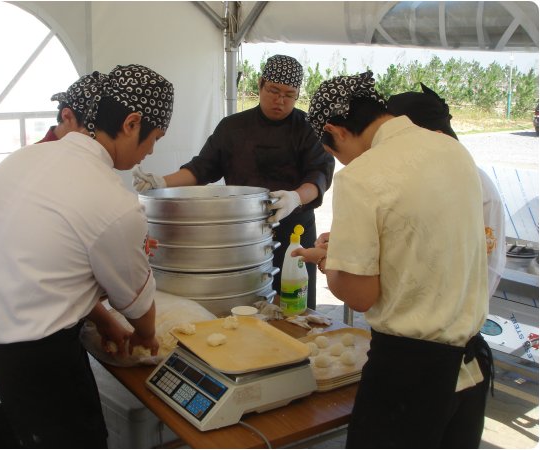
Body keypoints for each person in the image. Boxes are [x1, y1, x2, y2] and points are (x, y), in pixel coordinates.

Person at [0, 64, 174, 448]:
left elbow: (42, 270)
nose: (151, 150)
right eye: (154, 137)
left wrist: (102, 319)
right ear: (131, 123)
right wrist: (147, 338)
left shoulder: (21, 161)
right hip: (36, 381)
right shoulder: (113, 203)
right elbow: (139, 308)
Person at [295, 72, 493, 448]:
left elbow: (359, 295)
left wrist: (332, 261)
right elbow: (425, 240)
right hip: (470, 365)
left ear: (335, 131)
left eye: (335, 155)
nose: (342, 163)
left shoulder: (362, 177)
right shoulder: (451, 150)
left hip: (410, 374)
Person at [133, 55, 335, 309]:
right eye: (273, 90)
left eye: (289, 94)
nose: (280, 100)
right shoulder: (233, 127)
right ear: (260, 84)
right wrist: (162, 182)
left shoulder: (307, 128)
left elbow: (319, 174)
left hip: (294, 231)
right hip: (242, 234)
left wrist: (295, 198)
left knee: (295, 308)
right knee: (247, 304)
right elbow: (201, 169)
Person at [386, 83, 506, 300]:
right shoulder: (410, 178)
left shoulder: (480, 188)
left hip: (453, 318)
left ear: (436, 136)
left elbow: (490, 266)